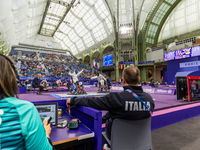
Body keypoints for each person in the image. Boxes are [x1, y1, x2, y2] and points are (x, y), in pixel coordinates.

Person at [66, 67, 155, 140]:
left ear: (123, 80)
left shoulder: (116, 98)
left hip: (118, 140)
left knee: (113, 113)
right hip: (141, 141)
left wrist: (73, 100)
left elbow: (93, 102)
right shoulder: (149, 100)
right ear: (139, 80)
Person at [0, 54, 54, 150]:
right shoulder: (26, 110)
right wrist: (47, 135)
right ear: (12, 78)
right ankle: (39, 91)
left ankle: (40, 90)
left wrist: (41, 83)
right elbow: (36, 83)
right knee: (41, 86)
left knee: (42, 86)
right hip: (35, 85)